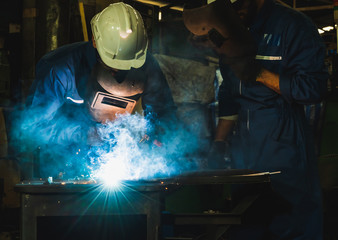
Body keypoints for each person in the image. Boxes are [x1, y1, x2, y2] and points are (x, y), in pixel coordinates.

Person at [183, 0, 328, 239]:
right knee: (248, 221)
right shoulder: (229, 24)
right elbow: (229, 93)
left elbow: (313, 88)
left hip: (284, 141)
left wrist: (259, 73)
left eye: (237, 6)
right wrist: (219, 143)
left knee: (291, 222)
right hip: (245, 147)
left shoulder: (293, 25)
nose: (234, 13)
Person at [17, 3, 177, 178]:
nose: (120, 73)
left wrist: (155, 134)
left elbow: (165, 113)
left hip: (118, 159)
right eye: (114, 65)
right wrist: (82, 133)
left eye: (128, 66)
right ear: (94, 41)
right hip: (63, 162)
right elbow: (33, 127)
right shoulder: (60, 69)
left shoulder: (146, 64)